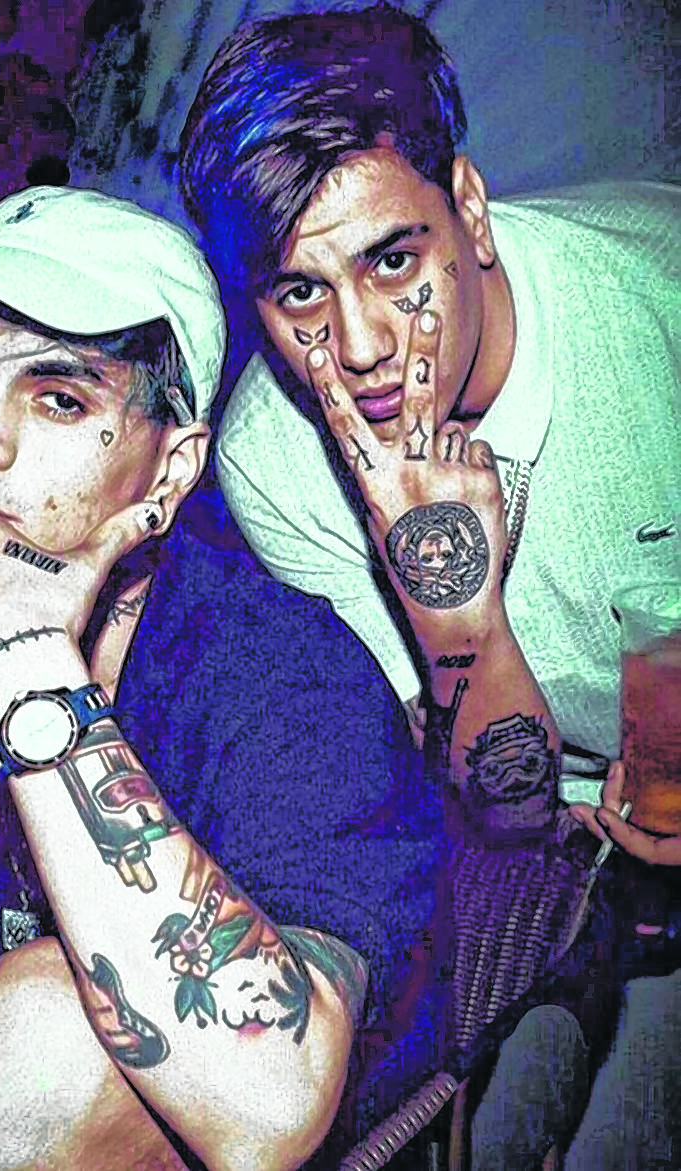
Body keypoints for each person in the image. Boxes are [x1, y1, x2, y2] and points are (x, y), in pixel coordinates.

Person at [0, 183, 451, 1171]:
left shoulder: (288, 679)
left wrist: (21, 671)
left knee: (52, 1023)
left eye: (60, 398)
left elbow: (270, 1103)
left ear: (170, 472)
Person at [177, 4, 681, 1165]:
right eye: (297, 294)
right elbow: (505, 815)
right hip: (565, 838)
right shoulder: (275, 454)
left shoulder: (657, 307)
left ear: (470, 206)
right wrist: (456, 616)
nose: (356, 347)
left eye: (391, 262)